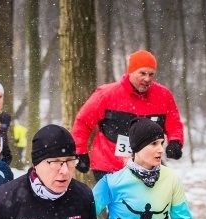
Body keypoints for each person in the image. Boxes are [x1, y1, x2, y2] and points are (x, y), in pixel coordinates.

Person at [72, 50, 184, 182]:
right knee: (119, 202)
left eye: (151, 74)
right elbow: (83, 122)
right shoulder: (106, 94)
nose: (147, 79)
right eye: (142, 73)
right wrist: (80, 152)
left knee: (151, 201)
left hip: (147, 166)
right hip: (109, 166)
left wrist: (175, 141)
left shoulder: (163, 96)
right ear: (131, 71)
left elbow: (174, 123)